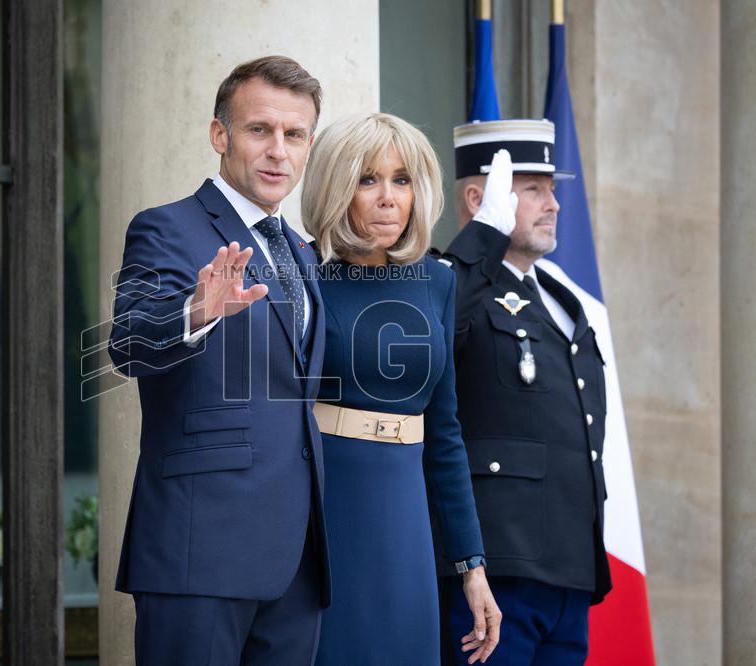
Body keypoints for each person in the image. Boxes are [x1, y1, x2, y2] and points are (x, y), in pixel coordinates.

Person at [108, 56, 329, 665]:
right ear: (220, 135)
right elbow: (126, 344)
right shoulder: (166, 228)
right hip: (198, 553)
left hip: (298, 563)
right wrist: (195, 313)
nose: (278, 151)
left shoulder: (303, 254)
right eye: (260, 129)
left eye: (295, 135)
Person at [301, 112, 500, 665]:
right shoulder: (301, 276)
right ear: (335, 187)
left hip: (407, 515)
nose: (388, 198)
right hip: (325, 507)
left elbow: (446, 435)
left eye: (401, 179)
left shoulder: (437, 281)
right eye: (367, 179)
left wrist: (472, 566)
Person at [433, 119, 611, 665]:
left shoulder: (560, 295)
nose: (553, 203)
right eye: (533, 188)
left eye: (551, 188)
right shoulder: (452, 280)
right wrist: (480, 241)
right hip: (495, 569)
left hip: (567, 567)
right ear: (477, 197)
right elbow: (433, 333)